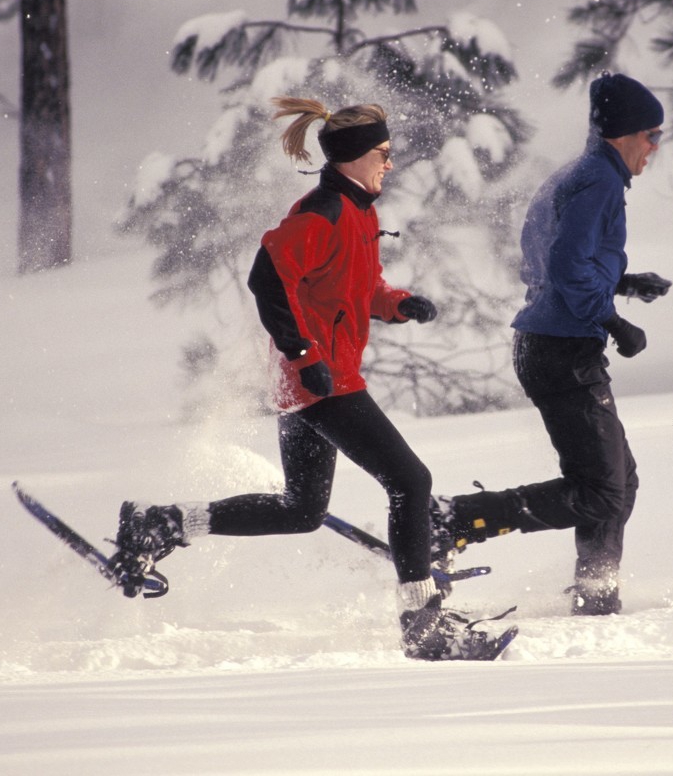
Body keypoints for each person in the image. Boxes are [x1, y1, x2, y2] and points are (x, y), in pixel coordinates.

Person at [111, 97, 503, 661]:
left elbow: (351, 288)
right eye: (383, 154)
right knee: (411, 482)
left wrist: (396, 303)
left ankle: (164, 525)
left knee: (301, 510)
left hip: (308, 383)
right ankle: (422, 623)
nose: (390, 163)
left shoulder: (359, 211)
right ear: (351, 158)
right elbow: (267, 278)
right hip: (323, 383)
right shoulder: (323, 213)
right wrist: (302, 351)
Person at [431, 72, 672, 616]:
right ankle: (452, 518)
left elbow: (548, 259)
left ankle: (597, 596)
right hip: (562, 351)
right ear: (623, 133)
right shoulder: (600, 181)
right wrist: (614, 322)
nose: (655, 147)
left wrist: (624, 283)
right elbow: (565, 265)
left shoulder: (577, 174)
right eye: (651, 134)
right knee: (603, 490)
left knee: (616, 484)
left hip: (548, 345)